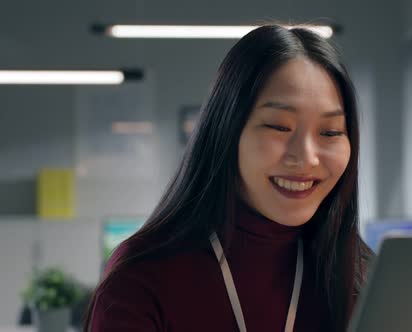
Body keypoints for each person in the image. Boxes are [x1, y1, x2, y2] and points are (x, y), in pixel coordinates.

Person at [84, 24, 373, 332]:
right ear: (227, 130)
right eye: (278, 126)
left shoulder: (364, 278)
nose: (306, 157)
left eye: (330, 132)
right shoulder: (142, 276)